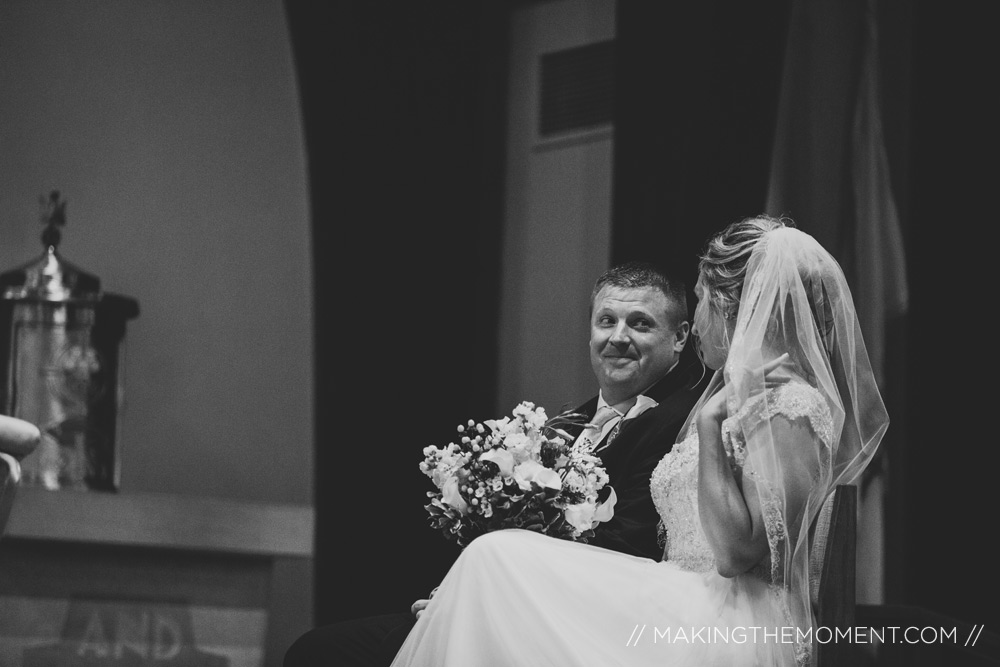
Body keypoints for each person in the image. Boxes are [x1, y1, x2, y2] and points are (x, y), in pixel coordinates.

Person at [388, 215, 889, 667]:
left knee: (495, 558)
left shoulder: (791, 405)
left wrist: (712, 426)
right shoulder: (734, 398)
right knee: (492, 567)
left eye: (701, 301)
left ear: (731, 306)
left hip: (727, 623)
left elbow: (738, 555)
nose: (698, 331)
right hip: (671, 595)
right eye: (605, 320)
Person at [284, 262, 711, 666]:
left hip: (576, 620)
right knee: (315, 648)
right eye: (606, 321)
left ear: (679, 336)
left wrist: (478, 594)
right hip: (503, 597)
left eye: (640, 323)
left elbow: (629, 545)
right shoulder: (565, 423)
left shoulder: (680, 422)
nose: (618, 337)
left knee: (320, 654)